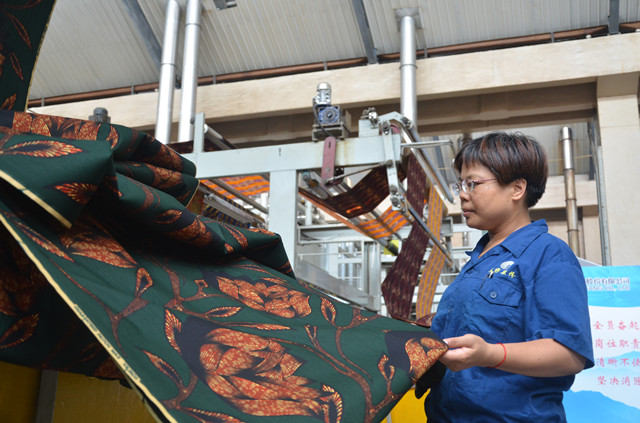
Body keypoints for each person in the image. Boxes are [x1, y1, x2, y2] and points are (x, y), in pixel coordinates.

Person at [422, 131, 594, 422]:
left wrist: (489, 354)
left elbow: (569, 353)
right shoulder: (476, 263)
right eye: (460, 184)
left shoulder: (547, 254)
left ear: (516, 188)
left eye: (473, 183)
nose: (462, 194)